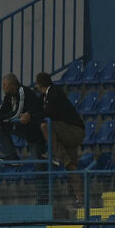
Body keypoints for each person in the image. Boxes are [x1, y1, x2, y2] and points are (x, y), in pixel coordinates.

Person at [35, 71, 86, 203]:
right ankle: (80, 198)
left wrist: (32, 116)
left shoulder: (54, 93)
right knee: (71, 166)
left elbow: (49, 113)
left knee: (45, 126)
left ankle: (55, 154)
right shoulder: (44, 96)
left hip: (73, 130)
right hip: (64, 132)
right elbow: (37, 109)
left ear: (40, 84)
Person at [0, 73, 46, 160]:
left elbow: (17, 113)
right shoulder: (9, 95)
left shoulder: (23, 92)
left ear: (12, 85)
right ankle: (11, 156)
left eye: (4, 85)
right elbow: (3, 109)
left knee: (39, 162)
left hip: (34, 128)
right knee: (0, 125)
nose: (3, 87)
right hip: (24, 126)